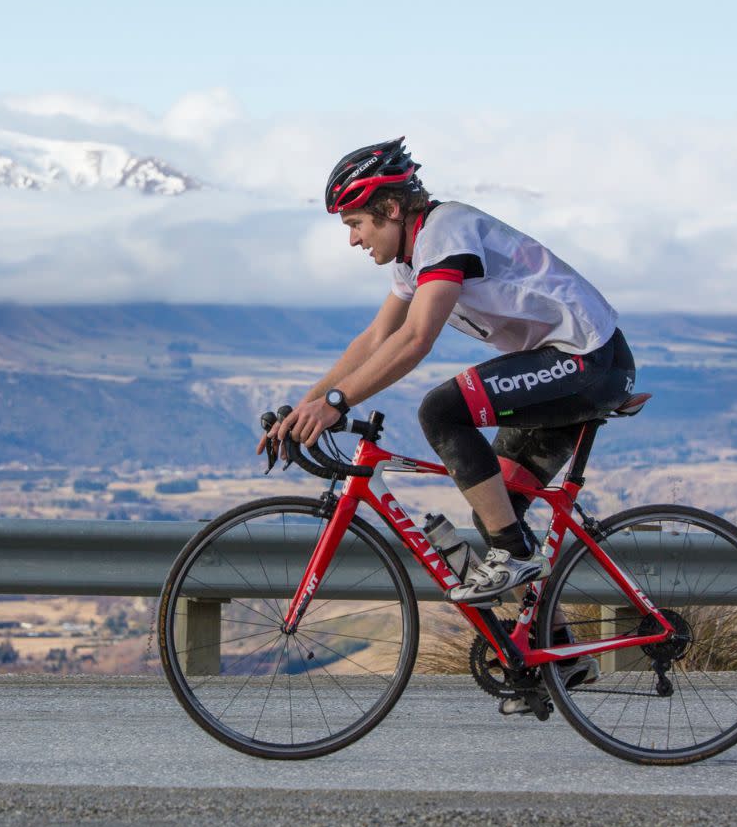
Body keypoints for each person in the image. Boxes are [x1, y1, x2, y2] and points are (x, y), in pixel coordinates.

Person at [260, 136, 636, 607]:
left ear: (392, 208)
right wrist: (308, 405)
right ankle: (553, 657)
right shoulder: (412, 260)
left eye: (356, 223)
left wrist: (338, 404)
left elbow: (416, 339)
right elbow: (375, 339)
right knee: (496, 514)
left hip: (588, 360)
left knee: (442, 410)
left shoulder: (446, 230)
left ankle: (515, 558)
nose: (353, 238)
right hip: (566, 364)